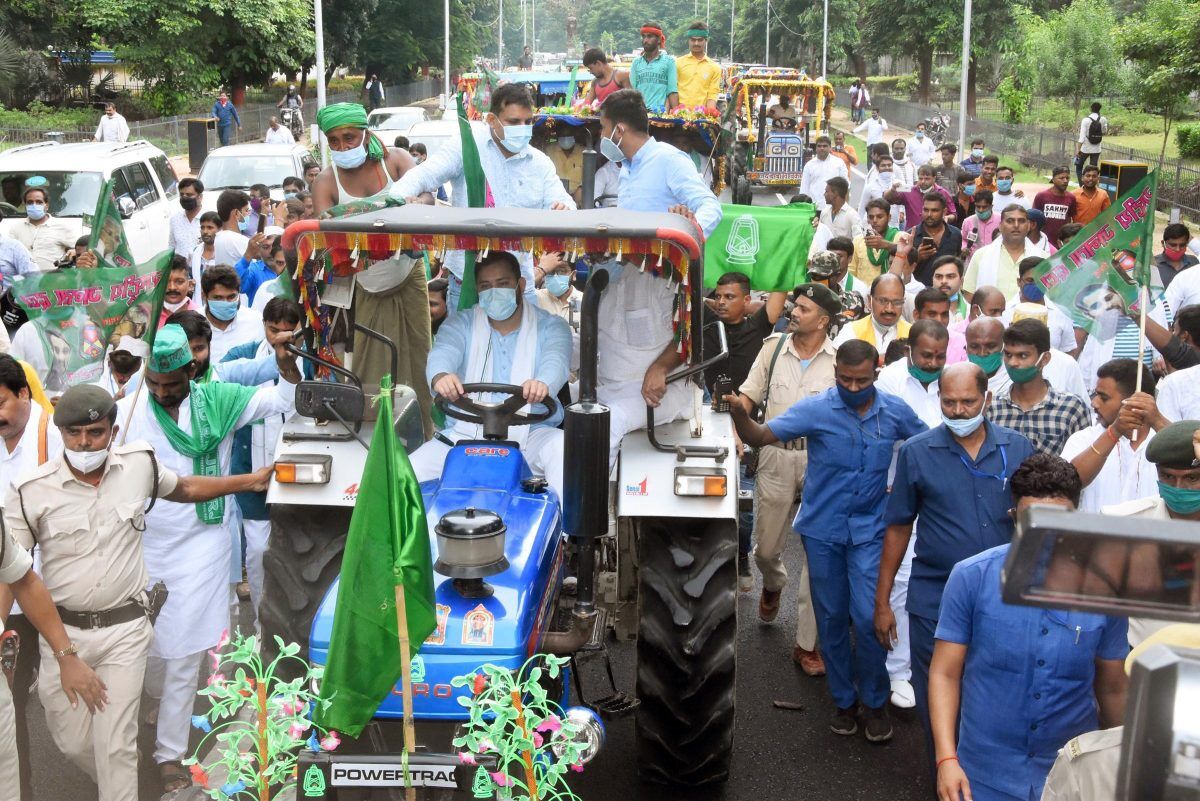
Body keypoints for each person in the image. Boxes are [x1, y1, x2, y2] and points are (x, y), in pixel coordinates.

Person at [6, 382, 272, 800]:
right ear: (61, 433)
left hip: (126, 630)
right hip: (63, 634)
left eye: (95, 432)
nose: (84, 442)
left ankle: (121, 780)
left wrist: (248, 481)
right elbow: (13, 572)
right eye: (74, 433)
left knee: (116, 747)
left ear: (113, 432)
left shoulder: (140, 465)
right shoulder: (29, 491)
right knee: (73, 741)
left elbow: (184, 489)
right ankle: (121, 774)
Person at [116, 324, 297, 792]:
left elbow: (283, 399)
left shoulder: (219, 399)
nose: (162, 393)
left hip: (203, 543)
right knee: (142, 650)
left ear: (191, 370)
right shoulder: (131, 411)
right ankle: (143, 718)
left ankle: (169, 754)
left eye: (171, 384)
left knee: (183, 652)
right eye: (153, 383)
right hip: (143, 543)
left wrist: (285, 365)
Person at [728, 339, 927, 742]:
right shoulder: (817, 408)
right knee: (832, 617)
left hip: (870, 531)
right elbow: (761, 435)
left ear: (876, 374)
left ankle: (875, 702)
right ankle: (844, 702)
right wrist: (738, 416)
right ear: (835, 374)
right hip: (823, 531)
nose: (853, 388)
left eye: (862, 381)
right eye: (845, 380)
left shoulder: (895, 411)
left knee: (869, 616)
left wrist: (904, 488)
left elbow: (926, 445)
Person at [929, 453, 1128, 801]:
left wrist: (1124, 763)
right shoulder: (971, 577)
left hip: (1073, 775)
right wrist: (946, 760)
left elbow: (1112, 687)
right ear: (1013, 517)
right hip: (983, 775)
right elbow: (945, 673)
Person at [877, 361, 1035, 775]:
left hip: (1003, 599)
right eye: (949, 403)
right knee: (939, 697)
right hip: (936, 600)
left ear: (987, 398)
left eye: (968, 402)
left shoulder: (1019, 449)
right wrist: (883, 602)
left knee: (996, 694)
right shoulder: (917, 452)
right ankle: (945, 774)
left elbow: (1040, 517)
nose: (959, 411)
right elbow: (898, 528)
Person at [391, 86, 574, 308]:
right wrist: (398, 200)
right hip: (469, 284)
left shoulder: (539, 163)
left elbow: (564, 204)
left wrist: (563, 209)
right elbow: (424, 175)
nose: (523, 129)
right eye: (514, 122)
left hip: (519, 286)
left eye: (528, 122)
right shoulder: (467, 148)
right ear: (491, 120)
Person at [736, 283, 840, 674]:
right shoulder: (773, 347)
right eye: (795, 305)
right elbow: (748, 396)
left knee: (819, 552)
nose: (794, 311)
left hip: (822, 459)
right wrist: (736, 426)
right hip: (775, 453)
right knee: (765, 550)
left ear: (824, 320)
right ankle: (774, 582)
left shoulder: (838, 360)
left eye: (804, 308)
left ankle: (806, 645)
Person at [413, 252, 570, 500]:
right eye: (486, 286)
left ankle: (562, 524)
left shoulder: (552, 326)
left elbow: (556, 361)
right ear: (477, 290)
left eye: (502, 284)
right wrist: (441, 376)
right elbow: (443, 352)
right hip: (464, 435)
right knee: (407, 474)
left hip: (531, 434)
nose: (494, 291)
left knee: (565, 451)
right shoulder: (460, 323)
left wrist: (542, 383)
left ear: (520, 285)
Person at [0, 354, 64, 801]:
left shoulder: (58, 437)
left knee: (70, 697)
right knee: (12, 701)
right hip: (10, 601)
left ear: (24, 393)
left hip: (56, 593)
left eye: (1, 403)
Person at [599, 89, 722, 237]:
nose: (601, 135)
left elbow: (710, 206)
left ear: (619, 130)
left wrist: (689, 234)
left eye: (603, 127)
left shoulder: (670, 159)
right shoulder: (626, 169)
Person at [1061, 359, 1161, 513]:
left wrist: (1158, 420)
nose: (1094, 403)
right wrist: (1114, 432)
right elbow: (1068, 483)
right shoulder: (1083, 439)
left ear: (1135, 401)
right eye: (1095, 395)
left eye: (1103, 397)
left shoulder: (1162, 440)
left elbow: (1189, 456)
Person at [986, 319, 1091, 456]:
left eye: (1023, 356)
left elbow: (1084, 460)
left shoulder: (1072, 408)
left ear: (1045, 359)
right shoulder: (991, 406)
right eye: (1008, 355)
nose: (1012, 363)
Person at [964, 205, 1047, 302]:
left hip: (1030, 311)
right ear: (1000, 226)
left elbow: (1050, 296)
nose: (1016, 225)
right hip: (990, 311)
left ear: (1028, 226)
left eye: (1021, 221)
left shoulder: (1043, 258)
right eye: (1010, 221)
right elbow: (969, 294)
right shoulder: (981, 255)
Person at [876, 318, 948, 427]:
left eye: (940, 357)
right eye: (927, 356)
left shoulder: (952, 377)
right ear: (907, 351)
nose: (933, 363)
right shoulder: (890, 378)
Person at [1010, 256, 1082, 356]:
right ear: (1019, 282)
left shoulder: (1061, 313)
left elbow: (1069, 353)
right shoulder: (1004, 311)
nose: (1036, 284)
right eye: (1030, 280)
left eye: (1041, 281)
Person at [834, 273, 911, 356]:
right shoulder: (851, 331)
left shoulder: (912, 334)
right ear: (869, 300)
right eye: (883, 301)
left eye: (897, 302)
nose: (889, 309)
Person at [200, 264, 263, 363]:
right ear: (204, 296)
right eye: (218, 298)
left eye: (231, 297)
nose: (225, 303)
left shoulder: (256, 321)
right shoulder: (194, 323)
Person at [901, 189, 962, 287]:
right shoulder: (911, 236)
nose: (929, 214)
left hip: (947, 290)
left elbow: (958, 263)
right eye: (926, 210)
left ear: (944, 212)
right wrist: (918, 257)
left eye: (934, 210)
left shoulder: (956, 234)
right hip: (918, 291)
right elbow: (902, 269)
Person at [10, 183, 75, 271]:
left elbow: (78, 249)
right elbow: (8, 252)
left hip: (53, 277)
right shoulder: (16, 228)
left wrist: (73, 252)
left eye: (39, 202)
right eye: (30, 202)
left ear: (46, 205)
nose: (34, 205)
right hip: (25, 277)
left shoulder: (61, 226)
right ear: (25, 205)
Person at [883, 164, 955, 240]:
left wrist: (947, 218)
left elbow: (954, 214)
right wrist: (892, 190)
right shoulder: (909, 191)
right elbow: (887, 199)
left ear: (934, 178)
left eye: (927, 179)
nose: (923, 181)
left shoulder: (943, 193)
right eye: (920, 178)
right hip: (912, 236)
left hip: (937, 236)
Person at [629, 22, 678, 112]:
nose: (645, 40)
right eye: (643, 36)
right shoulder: (636, 62)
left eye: (649, 36)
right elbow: (631, 92)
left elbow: (672, 91)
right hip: (639, 114)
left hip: (660, 115)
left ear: (659, 40)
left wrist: (676, 114)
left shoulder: (669, 62)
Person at [808, 249, 866, 325]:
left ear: (837, 275)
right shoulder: (801, 300)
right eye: (814, 275)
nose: (818, 280)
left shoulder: (855, 301)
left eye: (823, 276)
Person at [850, 198, 898, 284]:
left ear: (889, 217)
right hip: (862, 291)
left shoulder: (900, 237)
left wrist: (886, 245)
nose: (875, 221)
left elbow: (908, 255)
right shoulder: (858, 241)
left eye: (879, 217)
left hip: (890, 289)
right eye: (871, 217)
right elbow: (851, 271)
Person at [675, 21, 720, 110]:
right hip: (679, 115)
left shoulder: (714, 68)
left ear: (706, 41)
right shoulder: (678, 63)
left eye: (700, 40)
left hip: (701, 116)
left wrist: (710, 115)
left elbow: (712, 95)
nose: (696, 43)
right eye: (693, 40)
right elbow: (673, 91)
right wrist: (675, 112)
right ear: (688, 41)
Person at [799, 136, 849, 213]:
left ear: (830, 148)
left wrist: (845, 207)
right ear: (816, 148)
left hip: (834, 208)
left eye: (825, 146)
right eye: (819, 146)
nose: (822, 148)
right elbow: (804, 189)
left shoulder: (839, 163)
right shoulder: (809, 165)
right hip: (814, 208)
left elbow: (846, 186)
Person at [1033, 167, 1077, 247]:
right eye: (1061, 178)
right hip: (1043, 242)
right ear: (1053, 179)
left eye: (1067, 178)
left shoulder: (1071, 198)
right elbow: (1034, 219)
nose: (1065, 181)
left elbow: (1070, 219)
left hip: (1062, 243)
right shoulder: (1041, 196)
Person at [858, 154, 898, 228]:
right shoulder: (870, 187)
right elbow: (862, 208)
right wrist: (860, 227)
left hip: (895, 227)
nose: (887, 168)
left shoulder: (898, 184)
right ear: (877, 168)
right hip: (875, 227)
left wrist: (902, 212)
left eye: (889, 165)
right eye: (883, 165)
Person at [213, 189, 251, 267]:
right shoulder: (240, 241)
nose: (249, 214)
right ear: (236, 213)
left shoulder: (217, 237)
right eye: (246, 210)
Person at [168, 178, 204, 257]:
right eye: (182, 194)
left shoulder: (209, 219)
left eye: (189, 195)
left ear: (200, 197)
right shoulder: (175, 220)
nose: (184, 197)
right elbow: (171, 247)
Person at [959, 188, 999, 260]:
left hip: (994, 259)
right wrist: (964, 248)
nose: (981, 210)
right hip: (973, 260)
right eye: (978, 206)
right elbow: (963, 239)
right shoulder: (968, 221)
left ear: (991, 206)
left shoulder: (1000, 220)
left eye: (984, 207)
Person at [1156, 223, 1198, 290]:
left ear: (1187, 244)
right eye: (1173, 245)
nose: (1177, 249)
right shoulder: (1153, 265)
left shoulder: (1194, 263)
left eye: (1182, 245)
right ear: (1163, 243)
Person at [1076, 102, 1108, 182]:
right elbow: (1104, 131)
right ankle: (1091, 185)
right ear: (1099, 109)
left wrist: (1078, 150)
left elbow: (1082, 137)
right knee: (1093, 170)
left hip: (1085, 149)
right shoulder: (1103, 119)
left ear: (1091, 109)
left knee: (1079, 166)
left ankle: (1082, 184)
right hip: (1096, 149)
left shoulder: (1085, 120)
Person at [189, 211, 220, 293]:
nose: (205, 231)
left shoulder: (226, 252)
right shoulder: (194, 252)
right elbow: (190, 276)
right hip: (198, 299)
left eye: (210, 227)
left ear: (220, 229)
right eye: (202, 227)